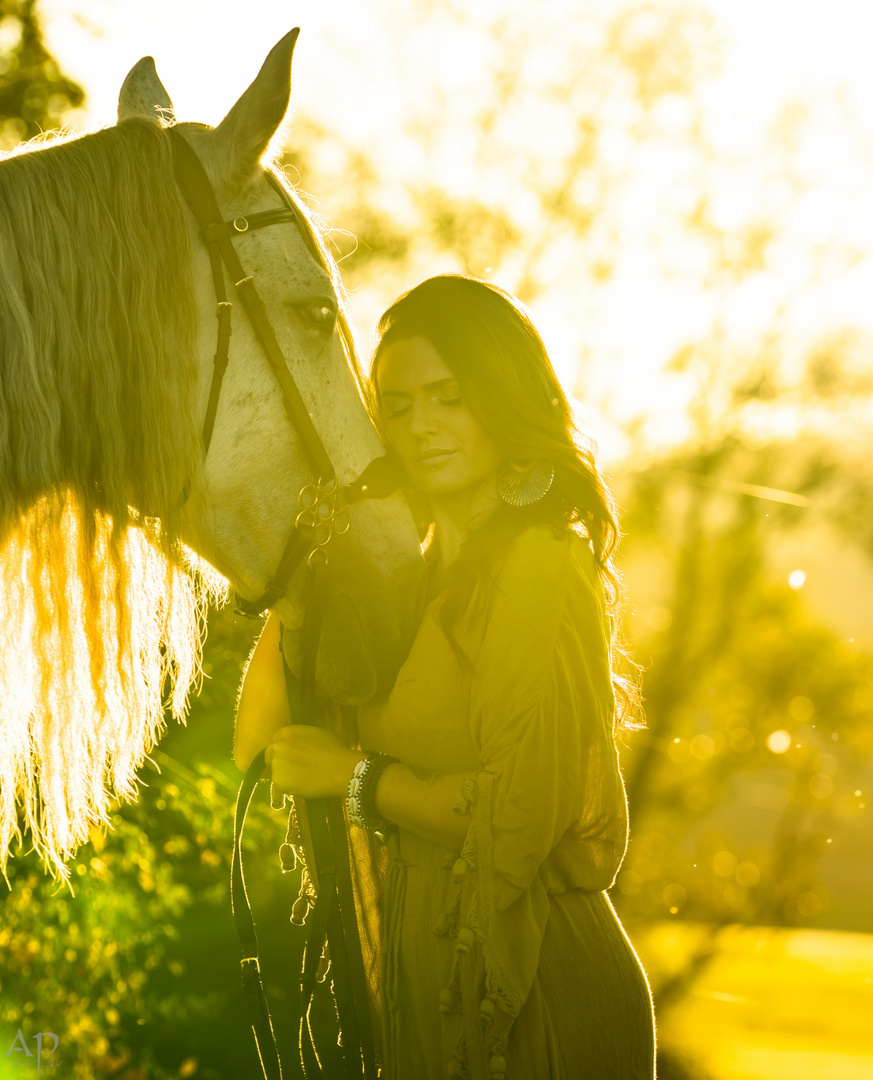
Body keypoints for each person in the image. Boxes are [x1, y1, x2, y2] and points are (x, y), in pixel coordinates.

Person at [234, 274, 656, 1079]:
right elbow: (261, 747)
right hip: (426, 974)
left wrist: (356, 780)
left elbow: (519, 810)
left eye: (448, 398)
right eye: (397, 406)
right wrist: (301, 581)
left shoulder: (537, 563)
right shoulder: (413, 577)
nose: (421, 426)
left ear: (501, 400)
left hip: (535, 980)